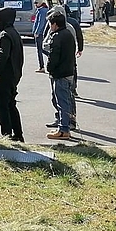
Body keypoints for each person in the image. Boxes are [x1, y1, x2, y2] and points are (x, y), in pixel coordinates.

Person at [0, 7, 24, 141]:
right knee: (10, 105)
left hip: (4, 76)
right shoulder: (14, 33)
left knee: (1, 106)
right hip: (14, 75)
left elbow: (2, 56)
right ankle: (18, 134)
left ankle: (7, 134)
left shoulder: (5, 35)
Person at [44, 13, 78, 141]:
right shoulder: (68, 34)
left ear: (55, 24)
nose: (49, 27)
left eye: (50, 24)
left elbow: (54, 56)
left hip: (60, 74)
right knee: (66, 100)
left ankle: (64, 130)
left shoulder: (57, 37)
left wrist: (49, 68)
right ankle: (63, 126)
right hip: (69, 72)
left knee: (62, 102)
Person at [31, 0, 50, 73]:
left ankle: (42, 66)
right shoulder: (43, 10)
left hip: (40, 33)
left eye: (36, 3)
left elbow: (40, 23)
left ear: (40, 3)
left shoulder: (42, 11)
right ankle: (49, 58)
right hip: (42, 32)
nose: (35, 5)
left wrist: (37, 32)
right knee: (41, 49)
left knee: (40, 50)